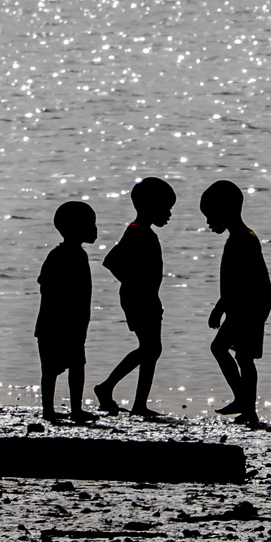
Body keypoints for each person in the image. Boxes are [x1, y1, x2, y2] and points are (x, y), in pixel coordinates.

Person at [94, 177, 175, 418]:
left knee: (151, 349)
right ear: (151, 206)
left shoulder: (144, 232)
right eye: (166, 208)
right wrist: (134, 284)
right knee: (150, 348)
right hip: (139, 299)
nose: (169, 214)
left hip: (147, 298)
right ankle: (107, 387)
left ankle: (139, 403)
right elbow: (111, 261)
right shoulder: (137, 232)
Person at [202, 179, 271, 426]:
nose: (209, 223)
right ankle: (247, 407)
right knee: (241, 356)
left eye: (211, 216)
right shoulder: (239, 238)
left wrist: (219, 308)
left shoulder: (243, 240)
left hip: (249, 307)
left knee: (227, 351)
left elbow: (241, 283)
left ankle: (243, 401)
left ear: (226, 211)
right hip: (245, 305)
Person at [35, 200, 99, 425]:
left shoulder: (79, 255)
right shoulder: (61, 255)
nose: (95, 229)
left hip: (73, 323)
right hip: (55, 324)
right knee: (51, 369)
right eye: (91, 224)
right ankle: (49, 411)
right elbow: (46, 283)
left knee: (76, 365)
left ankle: (75, 409)